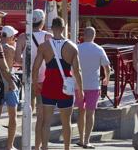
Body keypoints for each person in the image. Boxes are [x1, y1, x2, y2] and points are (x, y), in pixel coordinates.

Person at [33, 17, 83, 150]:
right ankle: (67, 148)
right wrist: (80, 90)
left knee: (46, 121)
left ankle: (45, 147)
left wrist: (35, 83)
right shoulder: (72, 47)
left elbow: (35, 67)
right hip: (65, 87)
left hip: (49, 85)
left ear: (51, 28)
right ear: (63, 28)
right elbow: (77, 71)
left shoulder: (44, 47)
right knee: (66, 122)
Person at [15, 9, 50, 150]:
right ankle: (37, 146)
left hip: (28, 78)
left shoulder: (23, 37)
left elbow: (17, 59)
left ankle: (26, 143)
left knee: (28, 110)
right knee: (41, 115)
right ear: (42, 21)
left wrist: (27, 61)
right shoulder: (48, 37)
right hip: (43, 79)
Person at [75, 27, 110, 149]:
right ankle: (86, 140)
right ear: (94, 36)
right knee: (90, 113)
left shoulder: (77, 48)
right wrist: (107, 78)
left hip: (79, 85)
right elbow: (107, 67)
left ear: (83, 35)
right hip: (93, 85)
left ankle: (80, 138)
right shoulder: (99, 49)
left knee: (81, 112)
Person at [0, 25, 19, 150]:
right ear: (11, 37)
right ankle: (9, 146)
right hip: (9, 85)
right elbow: (17, 61)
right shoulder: (10, 49)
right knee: (13, 117)